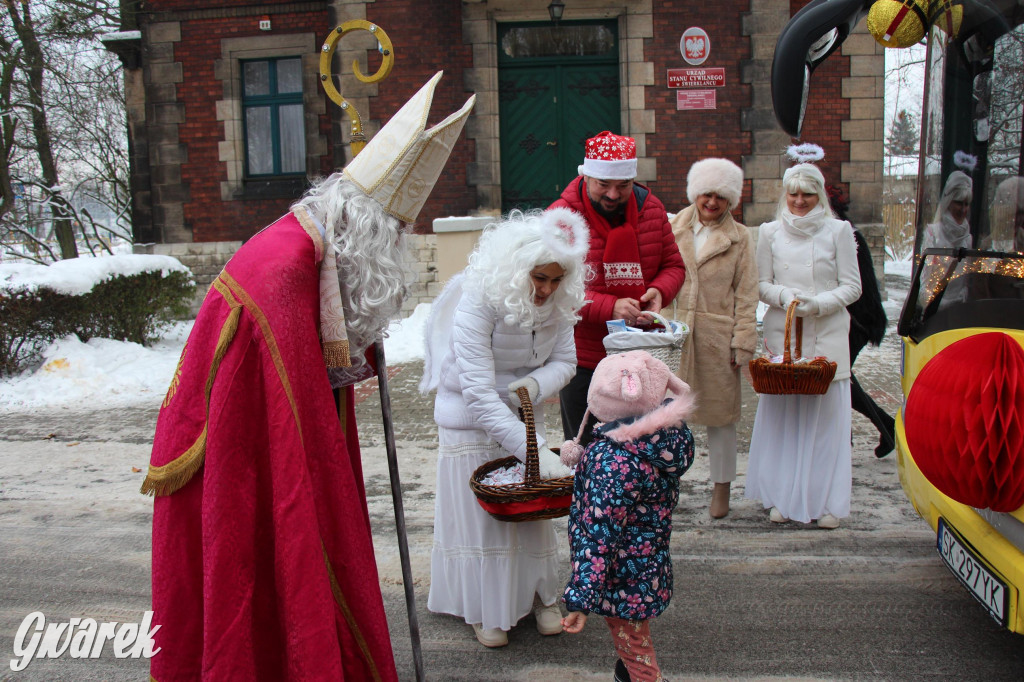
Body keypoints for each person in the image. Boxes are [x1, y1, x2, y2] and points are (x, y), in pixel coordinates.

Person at [143, 72, 474, 680]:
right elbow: (293, 426)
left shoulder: (315, 249)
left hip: (233, 451)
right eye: (394, 234)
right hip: (231, 464)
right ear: (365, 230)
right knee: (268, 577)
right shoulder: (287, 268)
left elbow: (329, 342)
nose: (398, 245)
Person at [419, 207, 590, 648]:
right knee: (488, 519)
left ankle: (539, 597)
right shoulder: (479, 298)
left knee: (530, 512)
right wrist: (533, 450)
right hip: (470, 421)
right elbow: (477, 394)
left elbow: (567, 362)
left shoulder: (558, 301)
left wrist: (532, 385)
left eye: (556, 280)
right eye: (539, 278)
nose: (547, 289)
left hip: (520, 411)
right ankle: (485, 607)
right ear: (517, 270)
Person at [559, 350, 695, 682]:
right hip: (648, 569)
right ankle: (628, 673)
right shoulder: (664, 440)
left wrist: (580, 598)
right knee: (633, 644)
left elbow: (598, 534)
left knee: (636, 652)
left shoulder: (613, 461)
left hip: (620, 578)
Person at [549, 131, 686, 448]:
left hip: (640, 356)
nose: (613, 194)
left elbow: (674, 266)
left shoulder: (651, 209)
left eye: (623, 186)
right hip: (583, 356)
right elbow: (551, 288)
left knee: (639, 449)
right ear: (587, 176)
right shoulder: (562, 218)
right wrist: (608, 307)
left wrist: (660, 291)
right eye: (603, 185)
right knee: (584, 449)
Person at [745, 162, 862, 529]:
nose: (799, 201)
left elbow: (853, 286)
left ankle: (826, 501)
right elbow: (761, 284)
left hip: (826, 335)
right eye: (793, 194)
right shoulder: (769, 233)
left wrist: (820, 303)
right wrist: (785, 295)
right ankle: (782, 496)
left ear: (819, 195)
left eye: (807, 194)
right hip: (786, 337)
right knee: (787, 422)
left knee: (826, 425)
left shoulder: (839, 231)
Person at [669, 157, 758, 518]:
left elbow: (747, 293)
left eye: (721, 197)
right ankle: (665, 487)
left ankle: (721, 490)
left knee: (721, 419)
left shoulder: (740, 238)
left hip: (716, 338)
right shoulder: (672, 226)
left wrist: (742, 341)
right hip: (673, 336)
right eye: (706, 194)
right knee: (667, 418)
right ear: (695, 193)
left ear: (731, 200)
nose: (711, 203)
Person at [827, 185, 896, 458]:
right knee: (839, 379)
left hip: (857, 320)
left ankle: (862, 434)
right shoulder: (841, 232)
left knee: (837, 378)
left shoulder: (843, 235)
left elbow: (855, 285)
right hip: (855, 318)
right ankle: (879, 429)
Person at [922, 170, 973, 250]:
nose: (963, 210)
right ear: (948, 202)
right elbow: (927, 261)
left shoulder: (967, 238)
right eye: (959, 203)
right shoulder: (933, 233)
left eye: (966, 204)